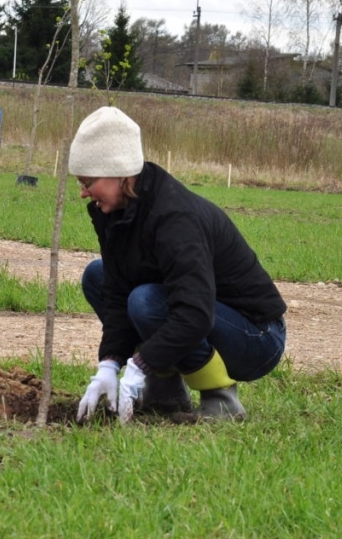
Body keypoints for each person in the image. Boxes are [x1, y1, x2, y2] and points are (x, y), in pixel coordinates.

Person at [70, 106, 287, 423]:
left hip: (256, 336)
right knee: (98, 276)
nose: (83, 192)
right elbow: (116, 291)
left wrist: (140, 366)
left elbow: (195, 313)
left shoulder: (174, 218)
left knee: (146, 302)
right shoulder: (113, 213)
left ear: (120, 172)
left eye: (88, 181)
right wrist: (110, 363)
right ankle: (165, 391)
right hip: (205, 316)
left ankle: (221, 399)